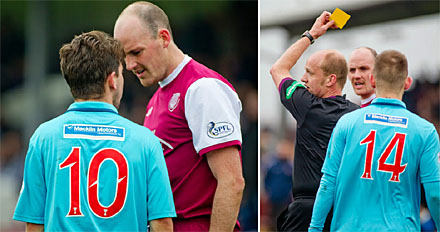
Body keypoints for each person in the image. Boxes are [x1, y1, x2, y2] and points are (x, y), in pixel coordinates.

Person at [13, 31, 176, 231]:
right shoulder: (145, 141)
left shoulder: (44, 138)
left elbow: (34, 223)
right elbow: (162, 222)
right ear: (112, 80)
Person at [113, 2, 245, 231]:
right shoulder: (156, 98)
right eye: (125, 56)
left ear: (164, 38)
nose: (130, 65)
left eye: (136, 52)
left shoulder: (202, 88)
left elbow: (232, 182)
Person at [309, 50, 440, 231]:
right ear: (407, 83)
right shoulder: (425, 131)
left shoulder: (347, 123)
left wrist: (314, 228)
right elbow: (435, 195)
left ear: (372, 80)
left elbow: (327, 184)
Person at [270, 11, 359, 231]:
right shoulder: (358, 115)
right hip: (343, 211)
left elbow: (278, 68)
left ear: (330, 80)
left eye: (309, 73)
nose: (303, 78)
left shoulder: (309, 107)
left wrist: (312, 34)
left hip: (307, 211)